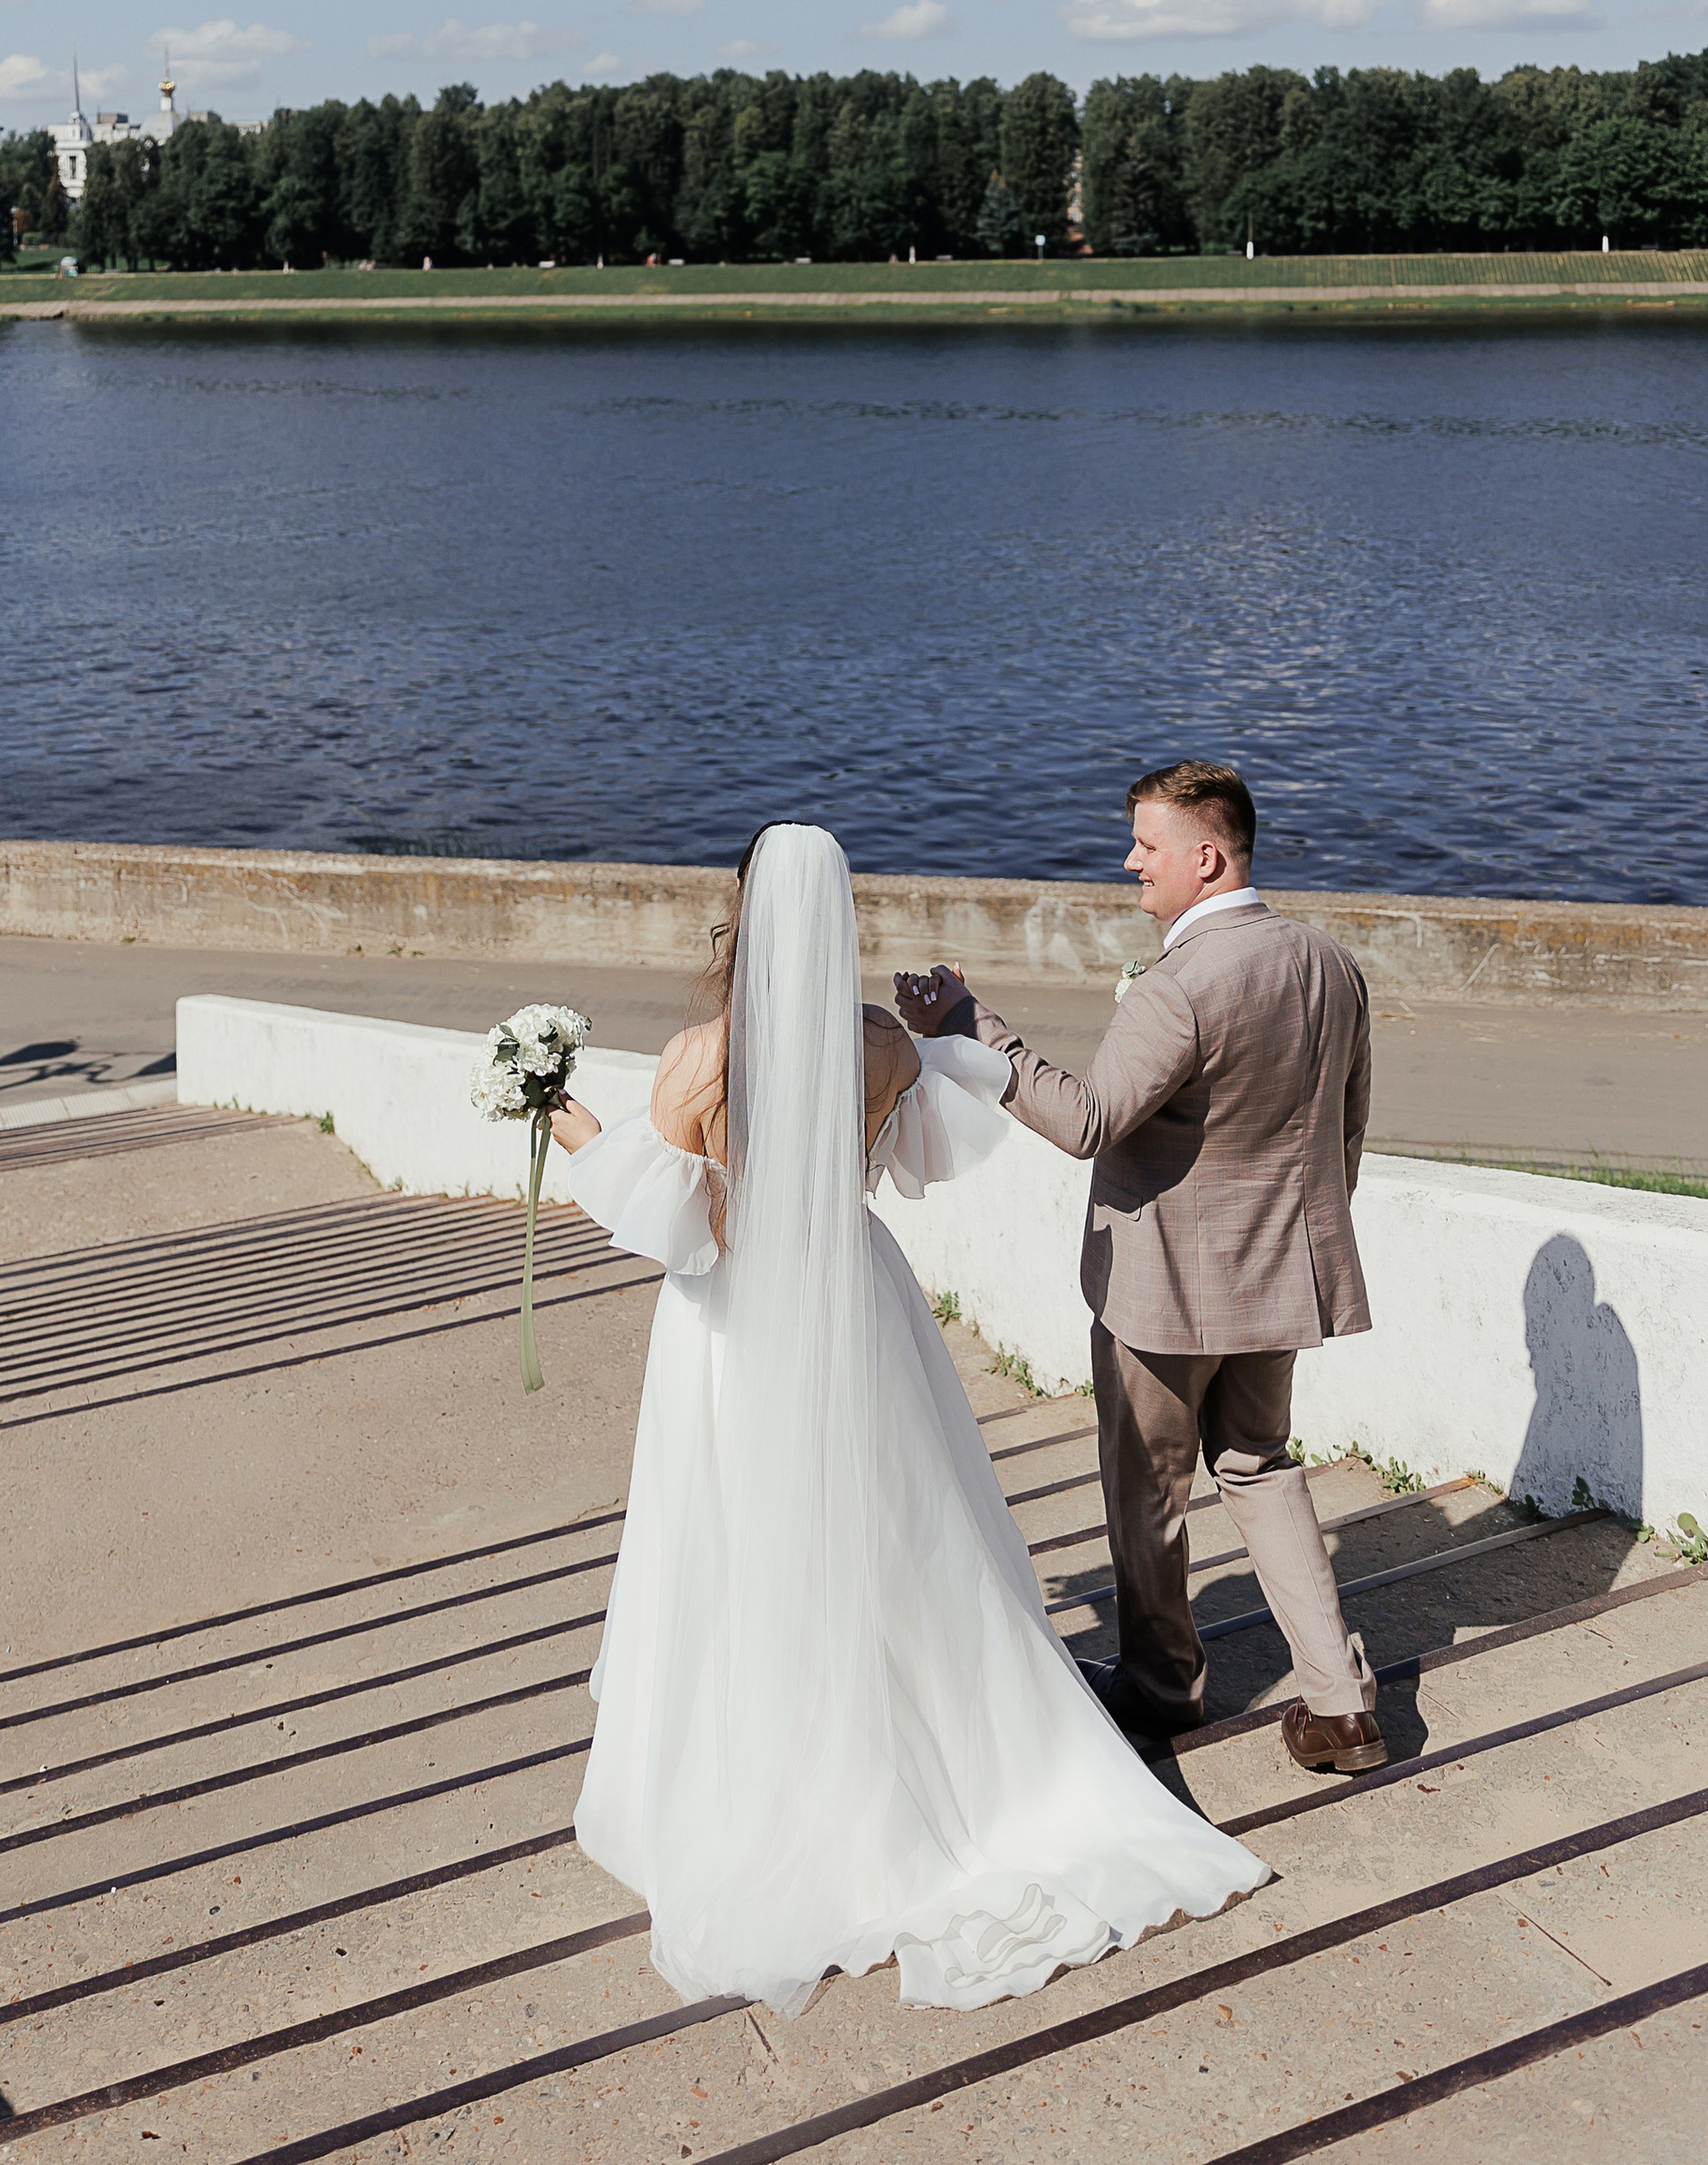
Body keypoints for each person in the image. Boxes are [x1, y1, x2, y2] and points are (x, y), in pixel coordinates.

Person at [545, 820, 1269, 2018]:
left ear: (740, 917)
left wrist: (562, 1123)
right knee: (894, 1531)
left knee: (744, 1539)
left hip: (737, 1333)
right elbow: (922, 1134)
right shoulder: (881, 1045)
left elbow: (676, 1226)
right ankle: (952, 1761)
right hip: (858, 1305)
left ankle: (778, 1776)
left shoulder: (700, 1061)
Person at [895, 761, 1384, 1774]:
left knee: (1147, 1490)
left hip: (1161, 1292)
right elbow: (1345, 1134)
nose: (1130, 863)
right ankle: (1340, 1703)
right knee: (1259, 1465)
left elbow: (1085, 1122)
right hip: (1280, 1279)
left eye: (1146, 846)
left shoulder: (1182, 984)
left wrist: (969, 1028)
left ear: (1204, 856)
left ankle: (1163, 1690)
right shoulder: (1331, 965)